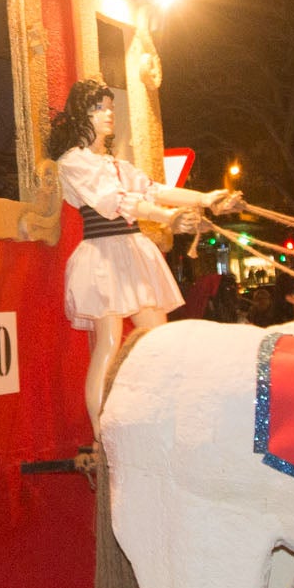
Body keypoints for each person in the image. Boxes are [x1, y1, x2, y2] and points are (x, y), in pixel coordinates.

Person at [46, 79, 235, 425]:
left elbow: (153, 189)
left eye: (109, 107)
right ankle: (102, 431)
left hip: (131, 250)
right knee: (109, 341)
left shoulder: (116, 165)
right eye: (99, 108)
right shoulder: (75, 162)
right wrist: (166, 218)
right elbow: (114, 203)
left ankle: (160, 418)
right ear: (82, 115)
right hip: (103, 255)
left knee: (158, 338)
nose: (108, 114)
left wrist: (206, 199)